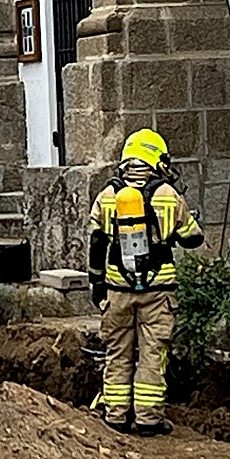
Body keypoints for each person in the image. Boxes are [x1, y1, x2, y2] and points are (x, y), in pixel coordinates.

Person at [88, 129, 204, 437]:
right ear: (157, 160)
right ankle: (149, 420)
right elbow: (194, 238)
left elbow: (97, 243)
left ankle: (115, 416)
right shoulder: (167, 194)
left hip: (116, 290)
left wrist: (96, 285)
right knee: (154, 353)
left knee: (117, 352)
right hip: (158, 293)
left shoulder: (108, 195)